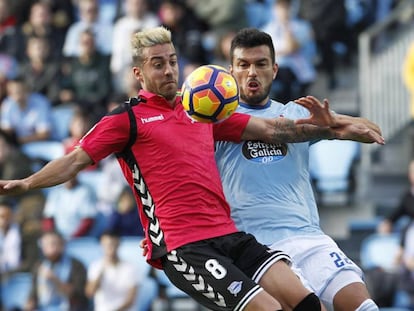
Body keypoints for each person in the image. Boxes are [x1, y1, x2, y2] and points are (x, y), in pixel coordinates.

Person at [0, 26, 384, 311]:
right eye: (157, 64)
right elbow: (74, 161)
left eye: (172, 62)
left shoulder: (201, 109)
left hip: (232, 237)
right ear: (139, 73)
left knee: (307, 305)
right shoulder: (126, 120)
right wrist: (27, 183)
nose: (168, 71)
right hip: (185, 248)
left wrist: (336, 126)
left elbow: (273, 128)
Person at [214, 27, 381, 311]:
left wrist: (336, 123)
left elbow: (372, 130)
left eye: (261, 64)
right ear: (231, 72)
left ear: (275, 69)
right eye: (243, 65)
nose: (252, 72)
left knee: (365, 307)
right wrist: (329, 129)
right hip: (258, 249)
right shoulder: (216, 122)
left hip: (309, 236)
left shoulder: (296, 113)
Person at [25, 230, 89, 311]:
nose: (49, 247)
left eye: (53, 243)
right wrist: (29, 304)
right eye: (45, 244)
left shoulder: (76, 265)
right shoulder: (40, 266)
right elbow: (33, 294)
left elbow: (77, 295)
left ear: (62, 244)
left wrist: (54, 279)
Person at [85, 230, 139, 311]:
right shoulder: (96, 266)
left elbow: (131, 299)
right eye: (106, 245)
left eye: (113, 244)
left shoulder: (130, 268)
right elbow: (90, 293)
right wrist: (101, 271)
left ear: (118, 244)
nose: (110, 248)